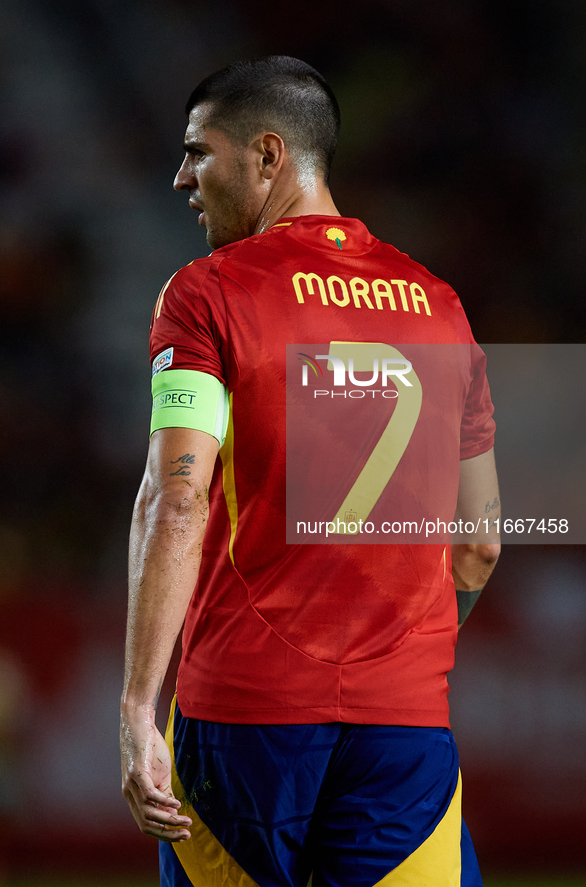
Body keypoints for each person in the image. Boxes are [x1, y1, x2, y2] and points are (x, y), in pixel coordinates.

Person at [120, 56, 500, 887]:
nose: (181, 176)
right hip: (402, 727)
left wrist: (136, 705)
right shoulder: (440, 305)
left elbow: (176, 494)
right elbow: (478, 546)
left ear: (266, 156)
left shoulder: (207, 294)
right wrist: (393, 657)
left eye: (196, 152)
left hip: (243, 717)